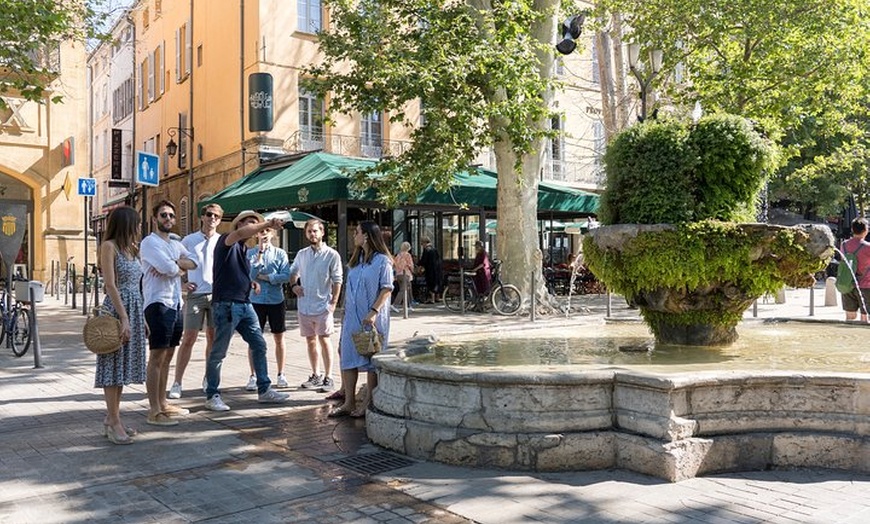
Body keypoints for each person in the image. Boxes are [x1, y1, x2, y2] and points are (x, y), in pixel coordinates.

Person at [204, 210, 289, 411]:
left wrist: (250, 282)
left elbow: (234, 273)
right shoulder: (228, 240)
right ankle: (212, 394)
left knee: (259, 344)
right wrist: (267, 223)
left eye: (255, 222)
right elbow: (243, 233)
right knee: (219, 352)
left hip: (244, 303)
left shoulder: (243, 249)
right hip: (226, 305)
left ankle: (264, 389)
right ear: (239, 224)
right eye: (249, 222)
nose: (254, 226)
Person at [140, 200, 197, 427]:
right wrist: (176, 266)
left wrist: (175, 263)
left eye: (172, 216)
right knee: (156, 357)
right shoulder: (149, 243)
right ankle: (153, 410)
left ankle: (163, 404)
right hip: (157, 304)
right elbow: (168, 269)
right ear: (155, 218)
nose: (169, 219)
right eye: (164, 215)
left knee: (168, 356)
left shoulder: (175, 243)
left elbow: (194, 262)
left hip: (175, 303)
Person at [329, 221, 394, 418]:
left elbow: (387, 288)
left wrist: (373, 312)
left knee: (370, 357)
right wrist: (343, 312)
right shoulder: (355, 262)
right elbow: (349, 290)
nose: (354, 235)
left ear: (366, 235)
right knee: (347, 357)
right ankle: (349, 402)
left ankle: (367, 402)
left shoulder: (383, 261)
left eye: (356, 232)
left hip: (371, 318)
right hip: (351, 318)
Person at [95, 206, 146, 444]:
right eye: (136, 223)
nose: (139, 227)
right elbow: (110, 285)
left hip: (134, 309)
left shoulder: (132, 249)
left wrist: (141, 317)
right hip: (117, 310)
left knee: (123, 368)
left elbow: (137, 286)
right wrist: (124, 318)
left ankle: (112, 419)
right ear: (126, 224)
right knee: (113, 366)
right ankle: (114, 421)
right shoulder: (109, 246)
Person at [168, 203, 223, 399]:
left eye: (216, 216)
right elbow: (175, 262)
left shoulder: (222, 241)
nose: (212, 219)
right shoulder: (189, 240)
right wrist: (183, 282)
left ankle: (209, 378)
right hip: (196, 294)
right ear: (202, 217)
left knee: (213, 338)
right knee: (189, 337)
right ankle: (177, 382)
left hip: (217, 295)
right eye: (209, 215)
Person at [289, 219, 343, 392]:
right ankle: (315, 374)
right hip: (304, 305)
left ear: (322, 232)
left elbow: (337, 280)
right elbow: (293, 272)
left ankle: (329, 377)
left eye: (315, 231)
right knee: (310, 341)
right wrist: (293, 286)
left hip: (323, 305)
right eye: (309, 231)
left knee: (324, 339)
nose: (312, 234)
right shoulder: (302, 254)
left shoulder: (332, 255)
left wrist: (333, 303)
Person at [247, 224, 291, 389]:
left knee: (279, 337)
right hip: (256, 301)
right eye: (261, 231)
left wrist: (266, 277)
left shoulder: (280, 253)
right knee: (254, 339)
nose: (263, 234)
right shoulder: (250, 253)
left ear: (272, 233)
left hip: (275, 300)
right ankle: (253, 375)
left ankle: (281, 373)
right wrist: (258, 256)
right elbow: (249, 276)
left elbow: (286, 276)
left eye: (266, 231)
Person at [840, 217, 870, 322]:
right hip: (866, 286)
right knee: (865, 318)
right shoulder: (868, 247)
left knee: (850, 318)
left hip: (847, 285)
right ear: (866, 230)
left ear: (852, 229)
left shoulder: (843, 245)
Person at [391, 241, 414, 313]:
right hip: (405, 274)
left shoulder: (398, 255)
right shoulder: (407, 255)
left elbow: (394, 265)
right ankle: (395, 304)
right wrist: (412, 271)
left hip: (398, 274)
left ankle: (408, 305)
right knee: (403, 290)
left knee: (407, 289)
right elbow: (410, 265)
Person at [419, 236, 442, 304]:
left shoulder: (427, 250)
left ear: (425, 243)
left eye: (422, 243)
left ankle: (432, 299)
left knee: (430, 282)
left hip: (430, 269)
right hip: (437, 269)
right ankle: (437, 297)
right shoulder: (434, 249)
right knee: (436, 282)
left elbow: (424, 260)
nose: (422, 245)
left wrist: (419, 265)